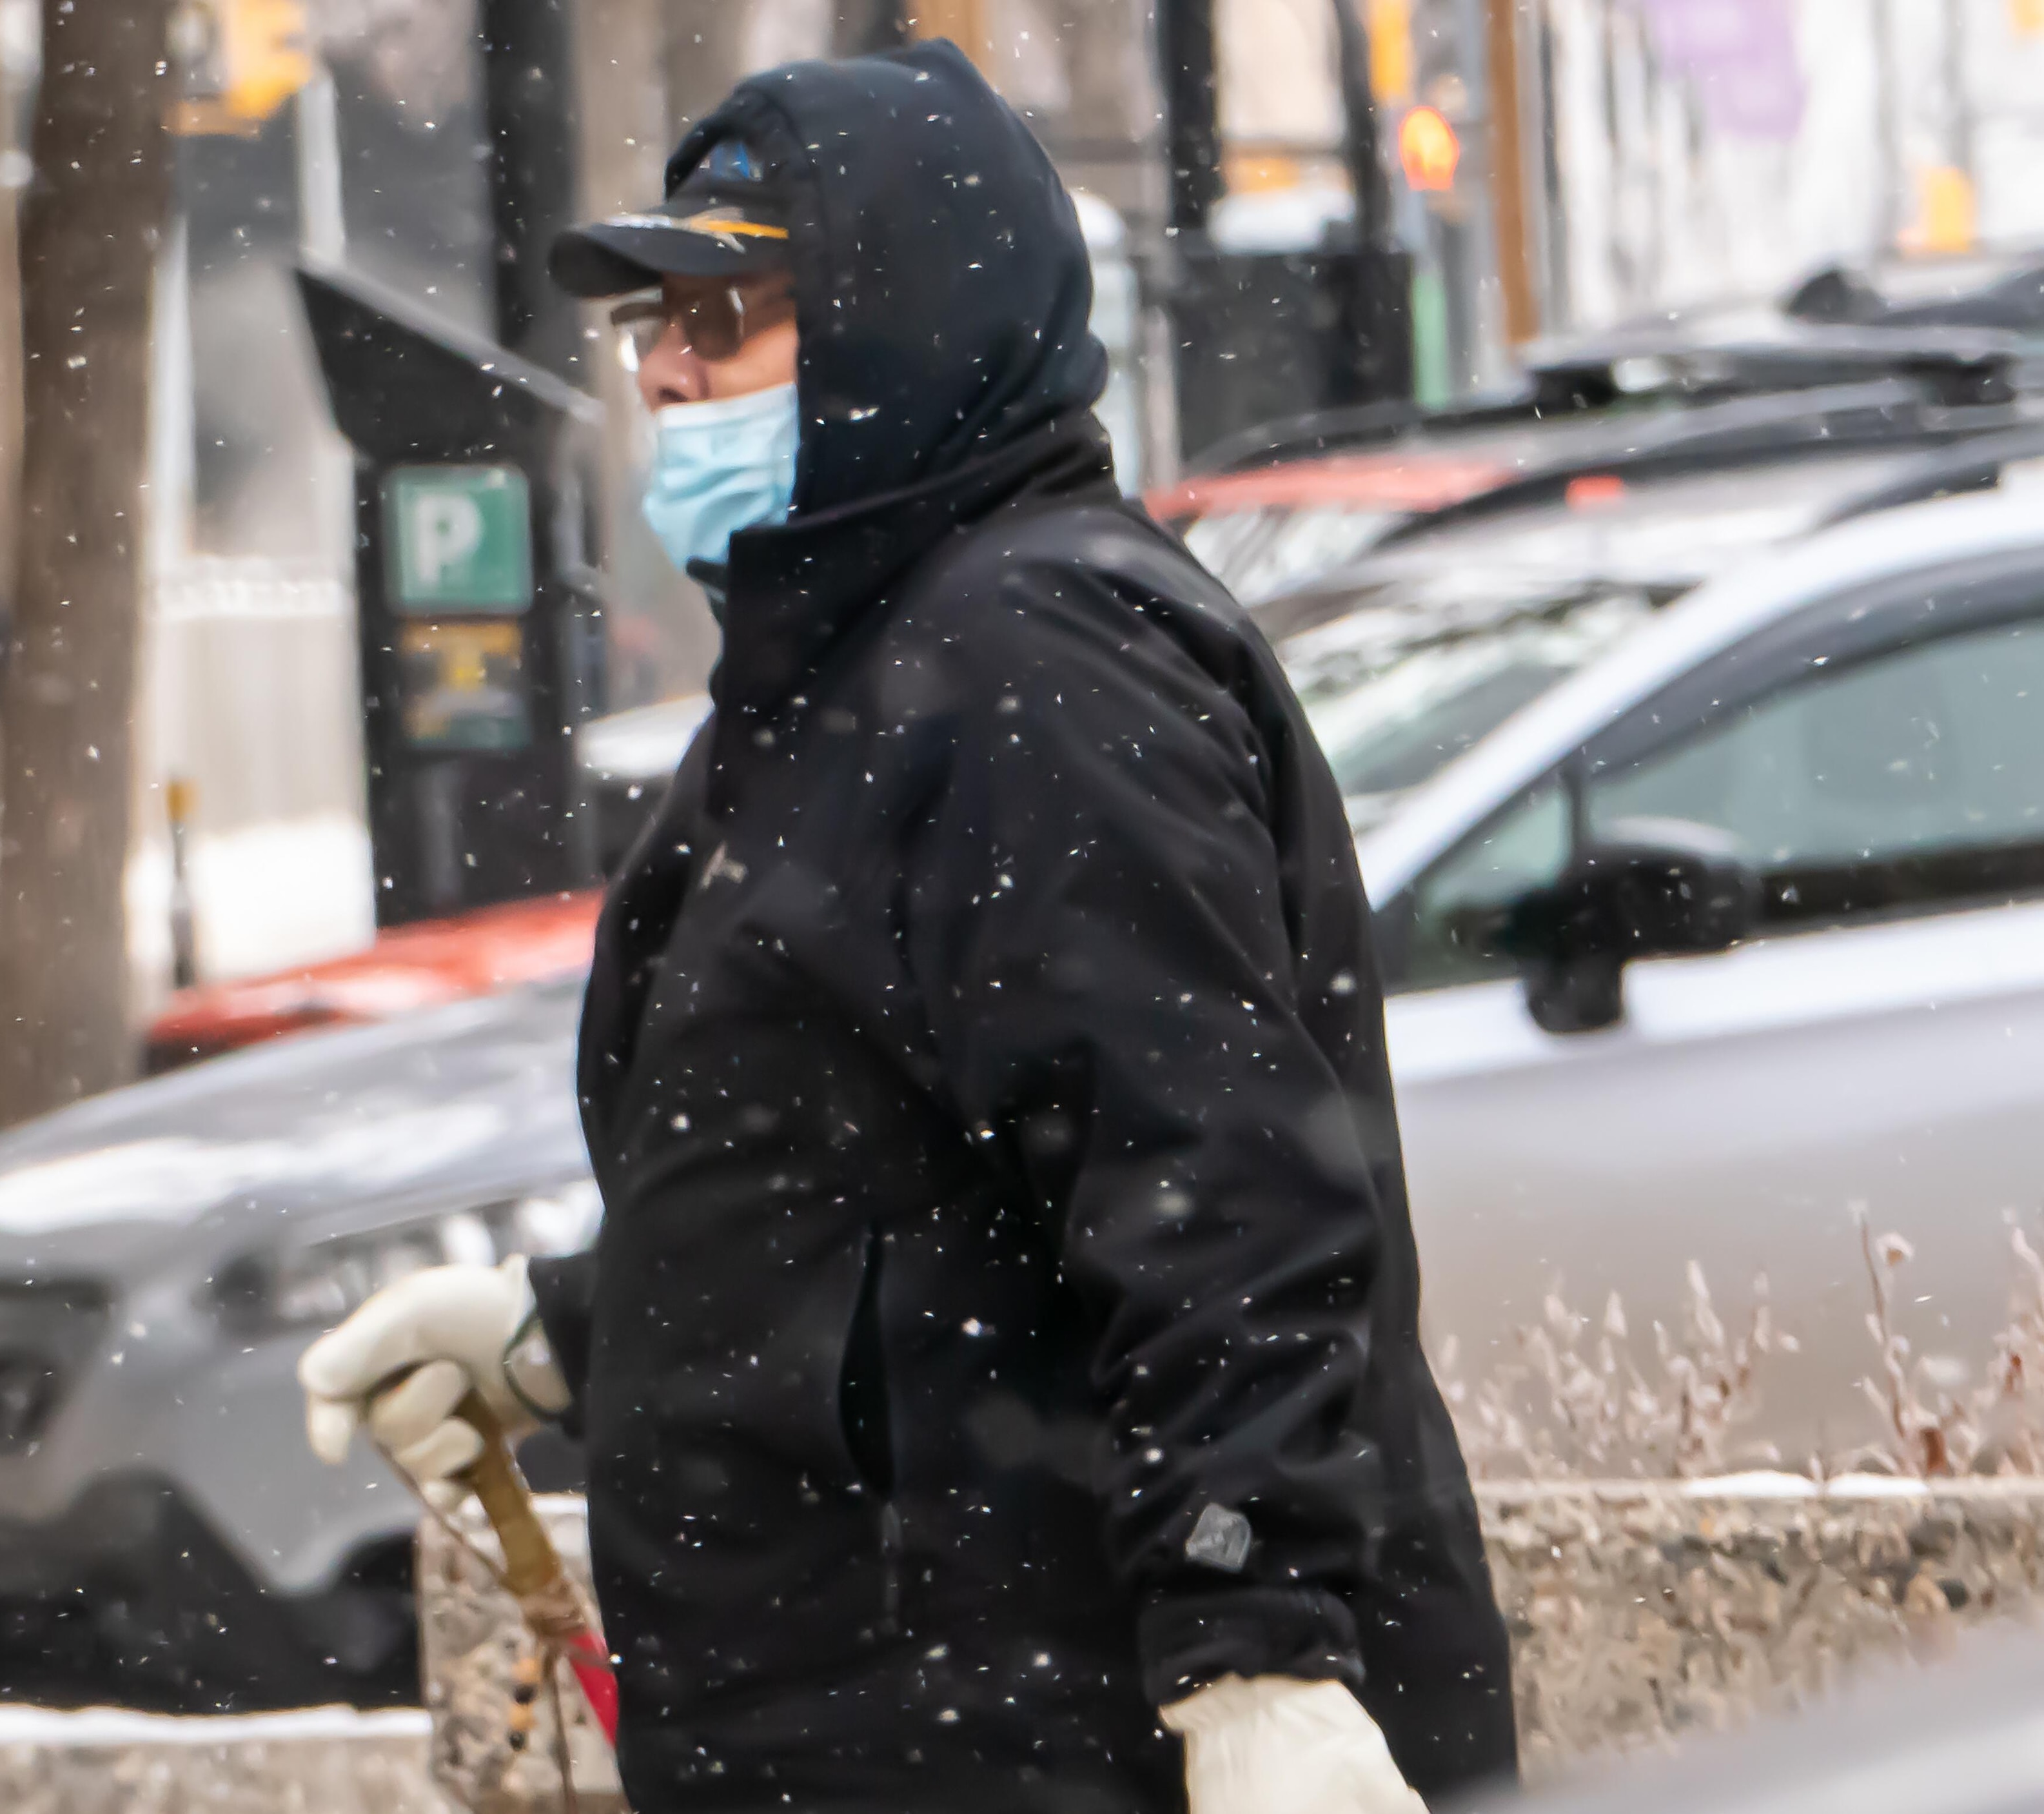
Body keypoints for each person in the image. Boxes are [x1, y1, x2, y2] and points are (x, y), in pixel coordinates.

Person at [297, 41, 1516, 1814]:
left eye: (728, 319)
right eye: (656, 323)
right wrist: (566, 1326)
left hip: (1036, 1731)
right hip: (896, 1724)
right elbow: (857, 1173)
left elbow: (1214, 1187)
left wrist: (1264, 1648)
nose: (662, 370)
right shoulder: (853, 663)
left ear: (899, 329)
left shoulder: (1037, 664)